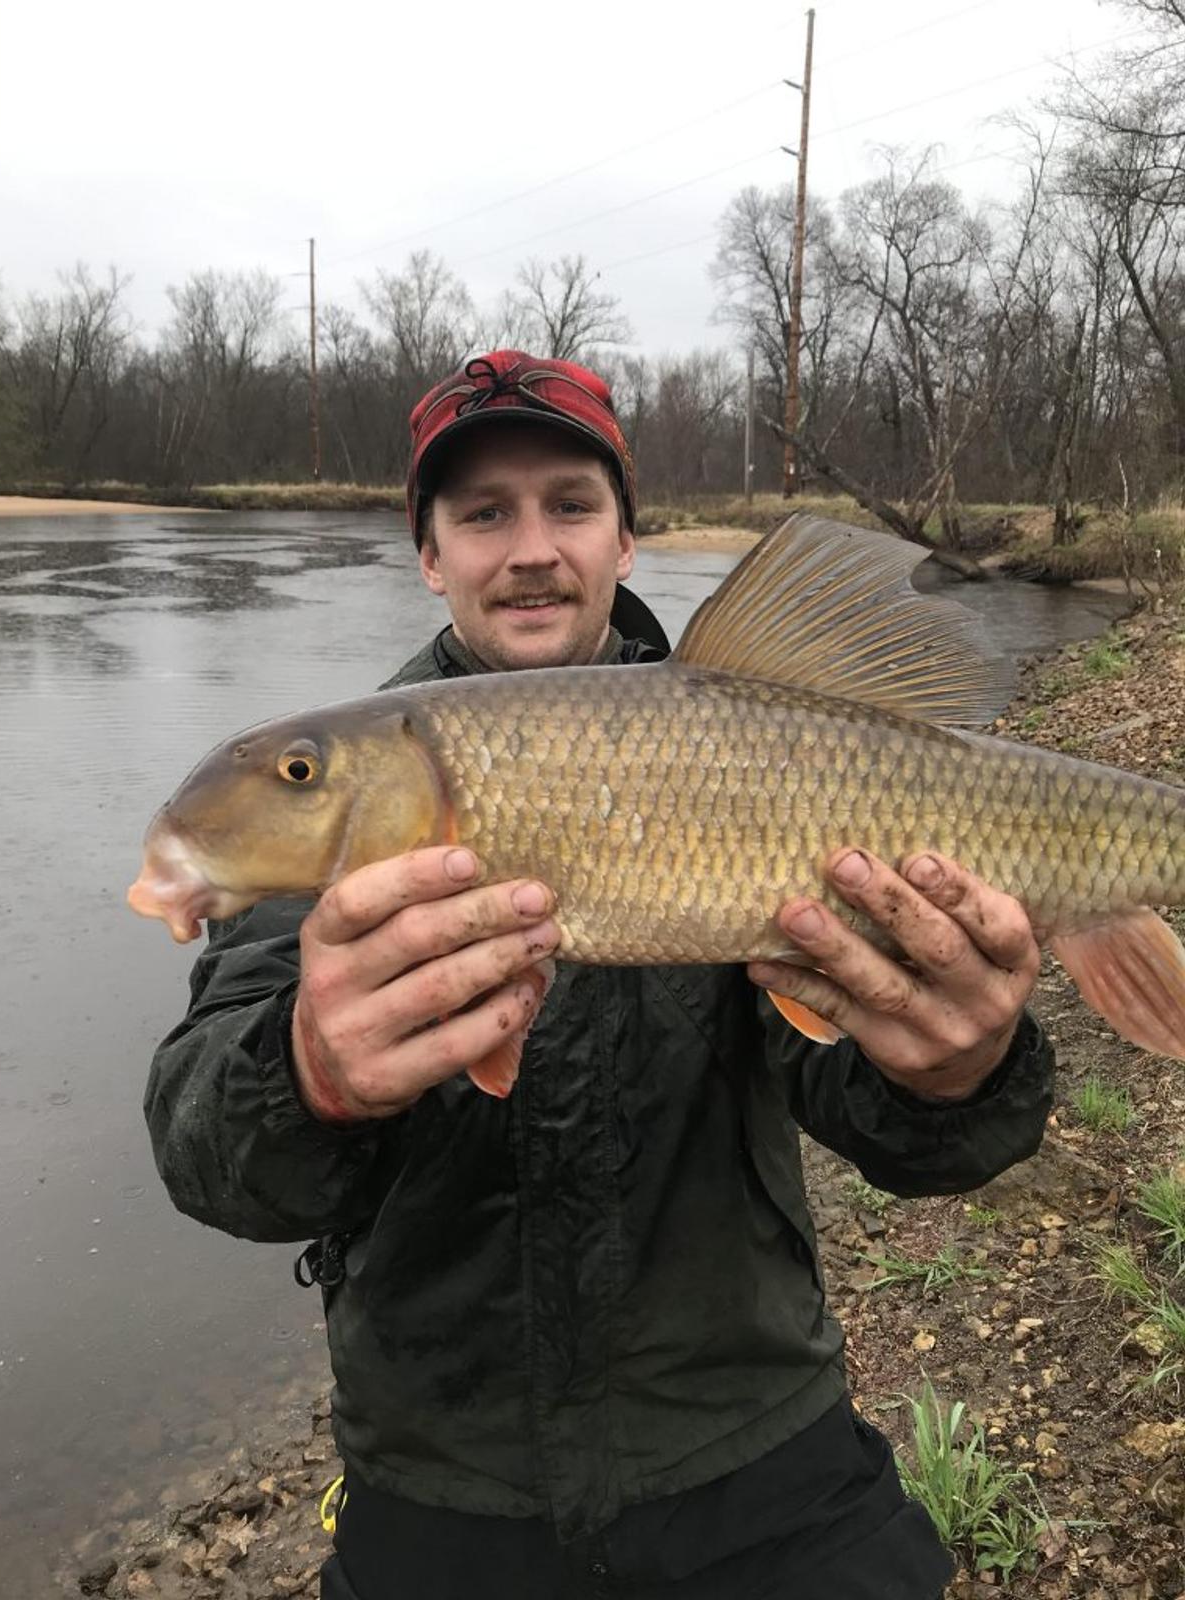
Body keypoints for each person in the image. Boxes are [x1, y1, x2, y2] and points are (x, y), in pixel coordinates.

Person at [144, 350, 1055, 1600]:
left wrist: (964, 1070)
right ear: (429, 555)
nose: (532, 549)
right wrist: (307, 1073)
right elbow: (204, 1152)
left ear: (626, 539)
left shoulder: (751, 731)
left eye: (569, 504)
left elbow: (893, 1126)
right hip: (441, 1489)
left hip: (759, 1456)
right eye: (483, 514)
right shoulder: (349, 800)